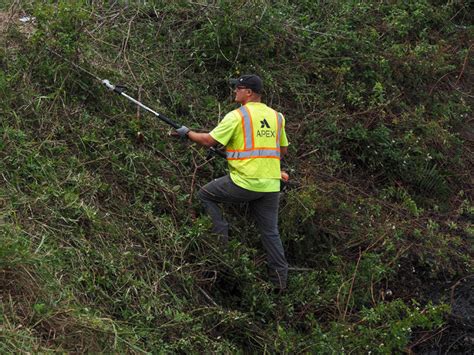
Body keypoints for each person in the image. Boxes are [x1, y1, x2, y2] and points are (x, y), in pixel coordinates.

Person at [176, 74, 289, 291]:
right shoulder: (277, 117)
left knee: (205, 195)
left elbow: (209, 141)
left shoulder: (238, 116)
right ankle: (279, 282)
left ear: (249, 93)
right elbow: (281, 150)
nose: (235, 90)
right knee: (270, 232)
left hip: (244, 183)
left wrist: (188, 133)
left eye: (239, 88)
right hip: (271, 185)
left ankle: (221, 245)